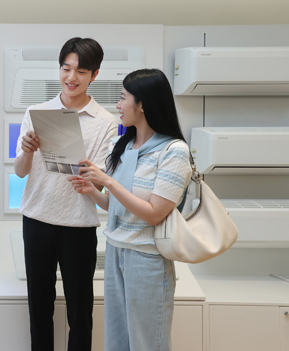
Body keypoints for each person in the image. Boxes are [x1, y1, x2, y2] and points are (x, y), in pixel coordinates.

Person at [68, 68, 192, 351]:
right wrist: (92, 191)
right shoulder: (120, 145)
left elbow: (154, 213)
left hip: (147, 259)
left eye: (123, 98)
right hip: (115, 251)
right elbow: (114, 205)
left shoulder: (174, 152)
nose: (118, 105)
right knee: (116, 342)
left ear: (143, 104)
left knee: (147, 344)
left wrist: (107, 181)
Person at [15, 37, 118, 351]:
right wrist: (27, 150)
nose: (71, 77)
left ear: (94, 75)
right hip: (37, 219)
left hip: (78, 224)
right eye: (66, 68)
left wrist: (88, 175)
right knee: (39, 308)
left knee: (80, 312)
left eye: (81, 71)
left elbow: (100, 184)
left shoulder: (106, 122)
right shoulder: (37, 112)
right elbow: (20, 171)